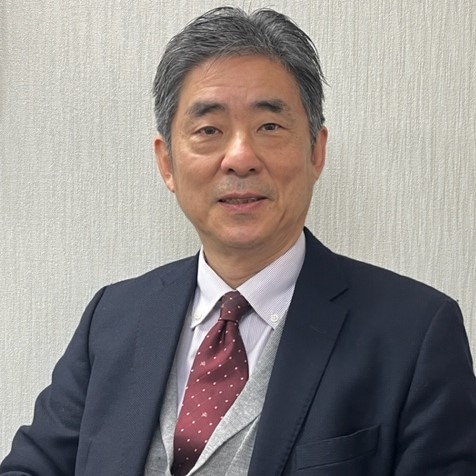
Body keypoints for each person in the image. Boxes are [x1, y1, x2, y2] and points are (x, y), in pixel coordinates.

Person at [1, 6, 475, 475]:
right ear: (167, 163)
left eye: (270, 127)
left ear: (316, 151)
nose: (240, 157)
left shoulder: (417, 334)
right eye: (209, 130)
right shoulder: (112, 318)